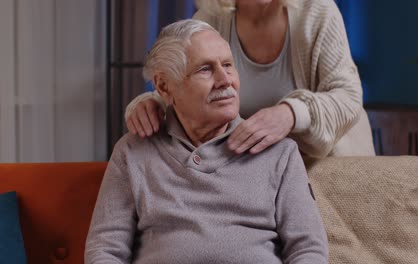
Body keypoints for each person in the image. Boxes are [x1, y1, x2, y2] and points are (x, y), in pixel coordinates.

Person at [85, 19, 328, 263]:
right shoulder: (132, 152)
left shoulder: (279, 154)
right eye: (205, 69)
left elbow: (308, 250)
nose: (226, 80)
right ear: (163, 85)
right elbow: (105, 250)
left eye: (228, 65)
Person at [125, 0, 375, 159]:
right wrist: (152, 104)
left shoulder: (318, 11)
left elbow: (348, 95)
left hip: (332, 163)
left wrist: (291, 114)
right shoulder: (210, 20)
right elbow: (182, 84)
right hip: (254, 169)